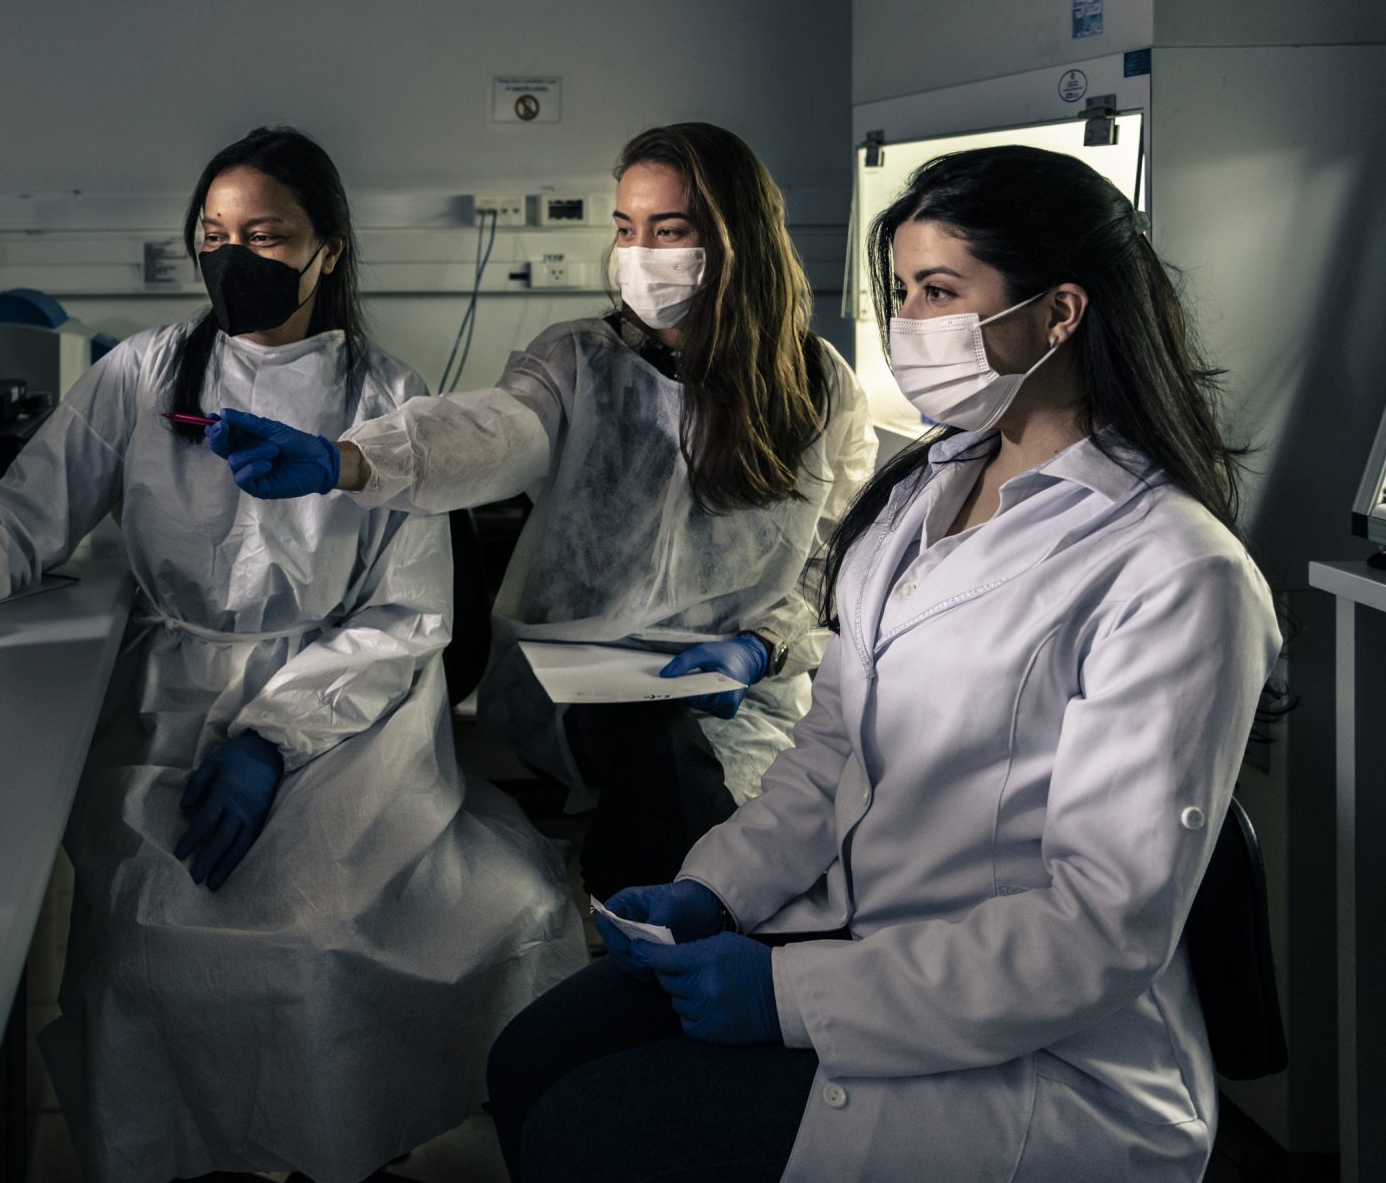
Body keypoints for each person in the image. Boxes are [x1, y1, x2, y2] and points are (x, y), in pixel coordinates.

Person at [485, 145, 1282, 1182]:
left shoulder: (1173, 569)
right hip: (846, 934)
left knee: (586, 1129)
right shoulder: (922, 490)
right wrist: (713, 889)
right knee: (526, 1060)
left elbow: (1094, 929)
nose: (911, 325)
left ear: (1060, 313)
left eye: (941, 292)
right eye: (902, 292)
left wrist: (788, 998)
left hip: (1027, 1047)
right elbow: (828, 751)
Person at [0, 127, 583, 1183]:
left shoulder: (388, 408)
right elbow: (24, 519)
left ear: (328, 252)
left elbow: (403, 620)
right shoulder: (142, 374)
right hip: (173, 685)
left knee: (314, 932)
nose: (235, 257)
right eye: (214, 235)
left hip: (341, 708)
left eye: (266, 235)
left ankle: (330, 1143)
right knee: (150, 928)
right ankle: (188, 1154)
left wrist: (270, 738)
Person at [207, 123, 874, 898]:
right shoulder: (579, 360)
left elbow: (836, 555)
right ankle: (668, 926)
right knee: (665, 764)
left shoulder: (819, 385)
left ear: (737, 237)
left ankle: (670, 928)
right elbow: (496, 431)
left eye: (670, 229)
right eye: (626, 228)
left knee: (727, 793)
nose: (639, 252)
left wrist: (761, 646)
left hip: (739, 687)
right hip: (576, 677)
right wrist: (347, 459)